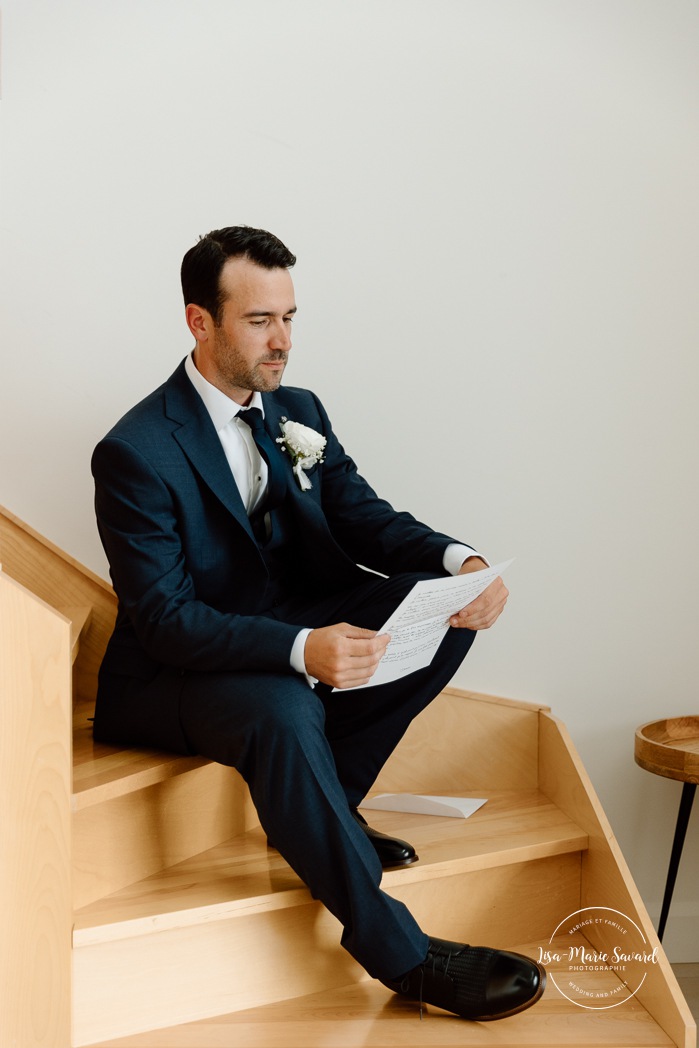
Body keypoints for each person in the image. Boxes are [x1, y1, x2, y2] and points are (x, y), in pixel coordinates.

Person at [91, 225, 545, 1021]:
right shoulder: (135, 450)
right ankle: (402, 956)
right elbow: (164, 619)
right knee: (286, 702)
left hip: (280, 618)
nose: (283, 341)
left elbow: (364, 517)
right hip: (175, 670)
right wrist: (302, 649)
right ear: (200, 322)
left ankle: (323, 812)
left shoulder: (296, 411)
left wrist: (459, 563)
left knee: (439, 613)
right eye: (260, 320)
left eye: (290, 317)